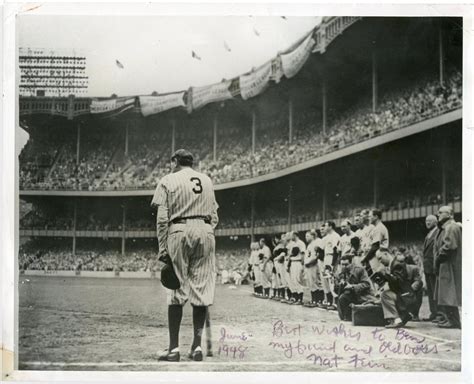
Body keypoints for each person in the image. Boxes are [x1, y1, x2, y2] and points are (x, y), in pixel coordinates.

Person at [152, 149, 219, 362]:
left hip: (179, 230)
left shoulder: (168, 179)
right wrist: (203, 230)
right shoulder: (207, 180)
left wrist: (164, 248)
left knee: (177, 291)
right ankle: (197, 348)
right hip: (206, 231)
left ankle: (173, 350)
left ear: (174, 161)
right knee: (201, 291)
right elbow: (215, 216)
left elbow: (162, 218)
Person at [374, 249, 422, 328]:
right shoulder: (393, 264)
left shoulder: (397, 264)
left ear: (386, 254)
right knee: (384, 294)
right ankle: (401, 317)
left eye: (380, 258)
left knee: (385, 295)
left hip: (405, 296)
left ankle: (397, 319)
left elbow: (397, 282)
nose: (380, 261)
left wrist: (384, 274)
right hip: (404, 294)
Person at [434, 206, 462, 329]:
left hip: (449, 263)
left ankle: (453, 320)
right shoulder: (449, 227)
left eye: (441, 212)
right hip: (449, 263)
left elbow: (449, 247)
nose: (437, 214)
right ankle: (452, 319)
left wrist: (438, 257)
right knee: (449, 293)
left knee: (449, 293)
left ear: (450, 214)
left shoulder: (451, 227)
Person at [336, 254, 376, 321]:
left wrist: (352, 286)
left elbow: (367, 284)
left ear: (351, 263)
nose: (344, 267)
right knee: (342, 298)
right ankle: (348, 316)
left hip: (363, 295)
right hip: (352, 295)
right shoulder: (342, 272)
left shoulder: (360, 270)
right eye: (342, 264)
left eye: (346, 264)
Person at [321, 221, 340, 310]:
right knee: (326, 282)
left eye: (326, 226)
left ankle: (336, 303)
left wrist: (333, 264)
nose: (324, 227)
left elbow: (336, 251)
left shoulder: (335, 236)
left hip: (332, 258)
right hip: (326, 258)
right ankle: (328, 301)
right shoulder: (326, 237)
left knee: (332, 281)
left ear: (331, 226)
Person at [362, 209, 389, 274]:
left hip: (379, 256)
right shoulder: (376, 227)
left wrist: (365, 259)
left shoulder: (379, 228)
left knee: (380, 279)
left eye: (370, 216)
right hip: (376, 256)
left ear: (376, 216)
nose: (369, 218)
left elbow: (375, 246)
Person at [303, 230, 323, 307]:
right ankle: (314, 300)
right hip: (309, 266)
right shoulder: (309, 245)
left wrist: (310, 263)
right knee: (311, 283)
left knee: (316, 282)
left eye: (307, 236)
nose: (306, 238)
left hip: (314, 265)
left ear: (313, 236)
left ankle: (318, 300)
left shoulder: (317, 242)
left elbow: (316, 256)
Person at [288, 231, 306, 305]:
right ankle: (295, 298)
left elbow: (302, 254)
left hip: (298, 262)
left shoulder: (301, 243)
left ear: (295, 235)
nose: (290, 237)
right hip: (292, 263)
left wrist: (302, 265)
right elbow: (290, 256)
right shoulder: (292, 244)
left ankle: (300, 299)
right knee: (293, 281)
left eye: (291, 235)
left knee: (298, 280)